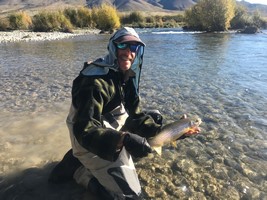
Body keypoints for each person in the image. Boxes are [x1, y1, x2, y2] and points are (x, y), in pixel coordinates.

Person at [49, 27, 163, 199]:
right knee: (128, 197)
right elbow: (84, 129)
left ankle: (94, 160)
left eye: (134, 48)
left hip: (108, 126)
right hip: (85, 136)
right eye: (123, 44)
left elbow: (136, 115)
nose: (128, 52)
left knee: (155, 118)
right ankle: (81, 172)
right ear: (113, 47)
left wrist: (173, 132)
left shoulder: (126, 75)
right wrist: (123, 139)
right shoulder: (94, 81)